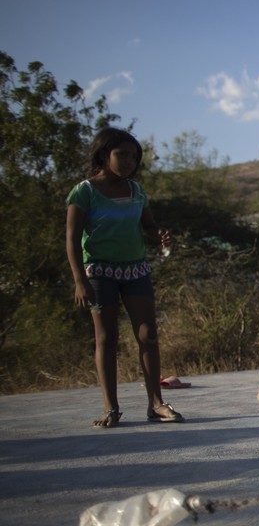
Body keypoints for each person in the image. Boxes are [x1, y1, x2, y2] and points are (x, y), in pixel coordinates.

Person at [66, 128, 185, 428]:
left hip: (135, 270)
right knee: (107, 338)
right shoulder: (84, 192)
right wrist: (79, 280)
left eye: (134, 156)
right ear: (104, 155)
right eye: (122, 155)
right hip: (99, 273)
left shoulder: (136, 191)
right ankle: (111, 408)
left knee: (148, 335)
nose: (129, 161)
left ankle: (156, 404)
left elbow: (148, 226)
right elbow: (71, 239)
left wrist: (160, 236)